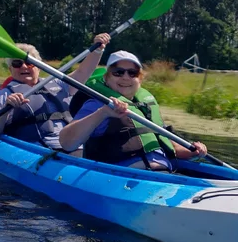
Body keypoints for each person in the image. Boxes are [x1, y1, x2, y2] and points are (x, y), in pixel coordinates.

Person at [59, 51, 207, 170]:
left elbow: (165, 143)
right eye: (118, 72)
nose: (125, 77)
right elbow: (67, 143)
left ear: (140, 79)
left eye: (132, 73)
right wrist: (103, 113)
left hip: (163, 175)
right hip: (120, 179)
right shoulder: (97, 104)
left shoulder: (145, 104)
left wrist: (191, 152)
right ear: (106, 78)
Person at [0, 35, 110, 150]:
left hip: (75, 144)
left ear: (39, 66)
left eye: (29, 62)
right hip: (39, 150)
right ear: (10, 69)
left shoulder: (58, 83)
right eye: (17, 63)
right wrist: (6, 108)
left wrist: (98, 49)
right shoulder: (6, 94)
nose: (24, 66)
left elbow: (82, 72)